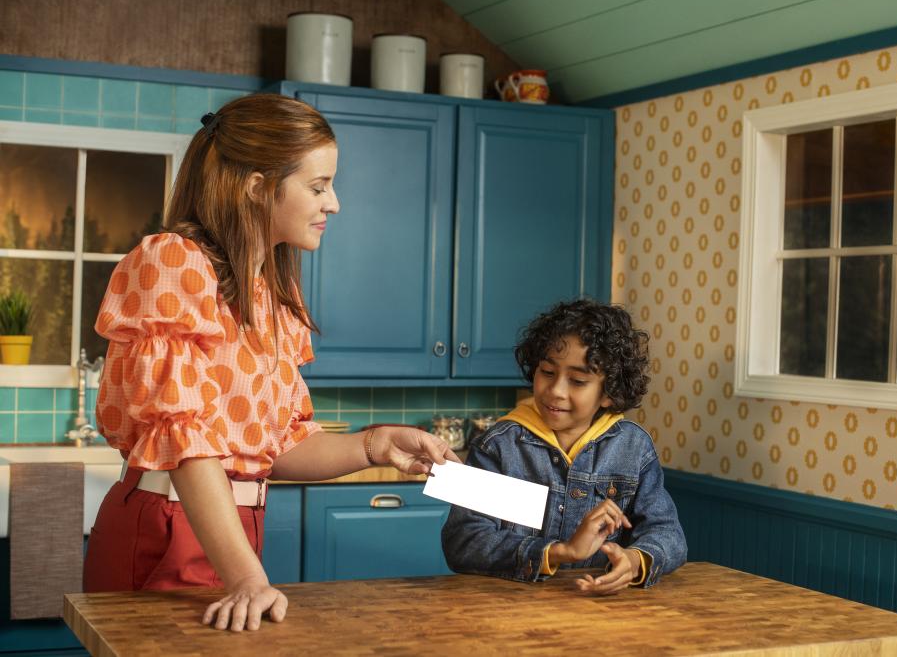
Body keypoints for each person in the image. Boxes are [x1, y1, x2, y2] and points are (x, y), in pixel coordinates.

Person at [83, 94, 460, 631]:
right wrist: (246, 578)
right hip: (166, 530)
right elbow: (185, 441)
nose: (335, 204)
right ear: (257, 187)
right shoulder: (173, 261)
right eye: (318, 186)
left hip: (234, 534)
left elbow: (276, 445)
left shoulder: (271, 294)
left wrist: (374, 444)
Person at [441, 299, 687, 594]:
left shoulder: (634, 447)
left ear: (609, 392)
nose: (556, 391)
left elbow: (668, 533)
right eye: (547, 372)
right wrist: (560, 551)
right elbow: (463, 542)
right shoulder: (498, 445)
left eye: (578, 381)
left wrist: (634, 560)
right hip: (509, 609)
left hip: (604, 614)